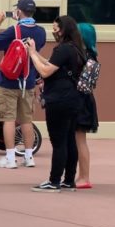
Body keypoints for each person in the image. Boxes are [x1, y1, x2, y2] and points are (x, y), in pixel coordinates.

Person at [24, 15, 86, 191]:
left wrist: (31, 55)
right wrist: (35, 53)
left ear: (64, 30)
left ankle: (54, 181)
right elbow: (52, 64)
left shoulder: (63, 49)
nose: (54, 31)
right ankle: (68, 180)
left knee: (58, 142)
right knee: (69, 141)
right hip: (73, 99)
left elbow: (44, 71)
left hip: (59, 101)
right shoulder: (76, 48)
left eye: (56, 28)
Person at [0, 0, 46, 169]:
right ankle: (29, 157)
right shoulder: (41, 32)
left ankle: (10, 157)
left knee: (8, 119)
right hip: (28, 82)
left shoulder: (13, 30)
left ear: (18, 12)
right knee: (26, 120)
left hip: (8, 82)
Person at [74, 21, 99, 189]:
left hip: (80, 100)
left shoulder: (82, 56)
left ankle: (84, 177)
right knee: (80, 140)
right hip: (87, 99)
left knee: (80, 140)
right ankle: (82, 175)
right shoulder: (91, 55)